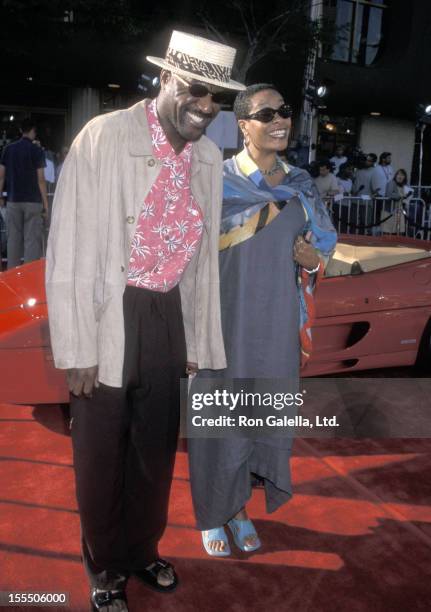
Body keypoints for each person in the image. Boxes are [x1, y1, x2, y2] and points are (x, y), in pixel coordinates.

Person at [46, 30, 245, 611]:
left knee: (154, 450)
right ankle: (105, 564)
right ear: (165, 79)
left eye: (217, 99)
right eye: (196, 91)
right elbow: (68, 247)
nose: (206, 108)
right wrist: (77, 347)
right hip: (109, 310)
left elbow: (203, 258)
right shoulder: (103, 137)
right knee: (102, 452)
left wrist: (196, 338)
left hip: (167, 314)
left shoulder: (207, 157)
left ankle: (141, 549)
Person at [188, 84, 337, 556]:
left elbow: (325, 246)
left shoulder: (302, 184)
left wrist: (313, 259)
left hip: (275, 328)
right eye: (266, 113)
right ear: (243, 124)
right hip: (222, 324)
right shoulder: (214, 180)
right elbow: (185, 257)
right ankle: (213, 511)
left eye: (285, 111)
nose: (280, 120)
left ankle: (240, 508)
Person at [0, 119, 48, 268]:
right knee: (31, 242)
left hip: (13, 201)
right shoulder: (37, 151)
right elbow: (41, 179)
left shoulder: (8, 149)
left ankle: (12, 277)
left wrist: (0, 196)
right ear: (33, 130)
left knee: (13, 240)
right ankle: (28, 278)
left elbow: (1, 176)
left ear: (21, 130)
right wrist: (46, 204)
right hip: (33, 202)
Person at [380, 169, 413, 235]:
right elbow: (389, 194)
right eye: (399, 174)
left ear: (404, 177)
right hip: (389, 211)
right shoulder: (391, 183)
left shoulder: (405, 186)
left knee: (399, 231)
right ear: (396, 176)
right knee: (387, 231)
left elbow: (407, 196)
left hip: (399, 211)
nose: (400, 176)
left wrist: (407, 196)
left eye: (402, 175)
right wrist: (401, 196)